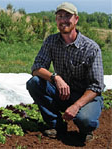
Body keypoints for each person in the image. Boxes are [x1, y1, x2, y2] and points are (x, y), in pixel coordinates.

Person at [26, 2, 105, 142]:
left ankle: (86, 129)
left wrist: (76, 106)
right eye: (60, 16)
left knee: (85, 120)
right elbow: (36, 68)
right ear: (56, 20)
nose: (63, 20)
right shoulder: (51, 41)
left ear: (76, 19)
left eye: (67, 16)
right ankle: (56, 125)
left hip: (86, 97)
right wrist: (55, 78)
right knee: (34, 83)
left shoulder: (91, 48)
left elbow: (96, 86)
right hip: (63, 94)